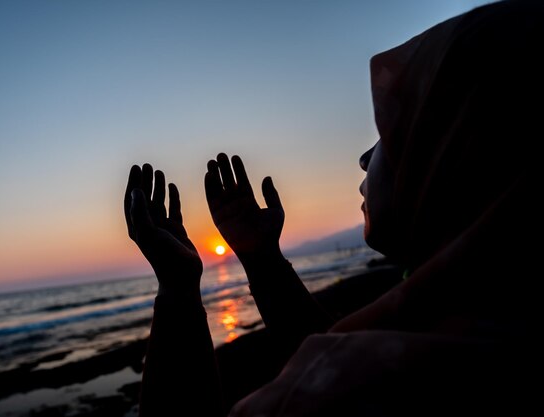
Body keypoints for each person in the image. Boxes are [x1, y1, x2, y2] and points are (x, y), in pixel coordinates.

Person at [125, 0, 542, 415]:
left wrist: (178, 290)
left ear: (448, 155)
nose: (365, 157)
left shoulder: (378, 389)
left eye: (391, 132)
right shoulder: (492, 317)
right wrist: (262, 257)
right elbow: (327, 344)